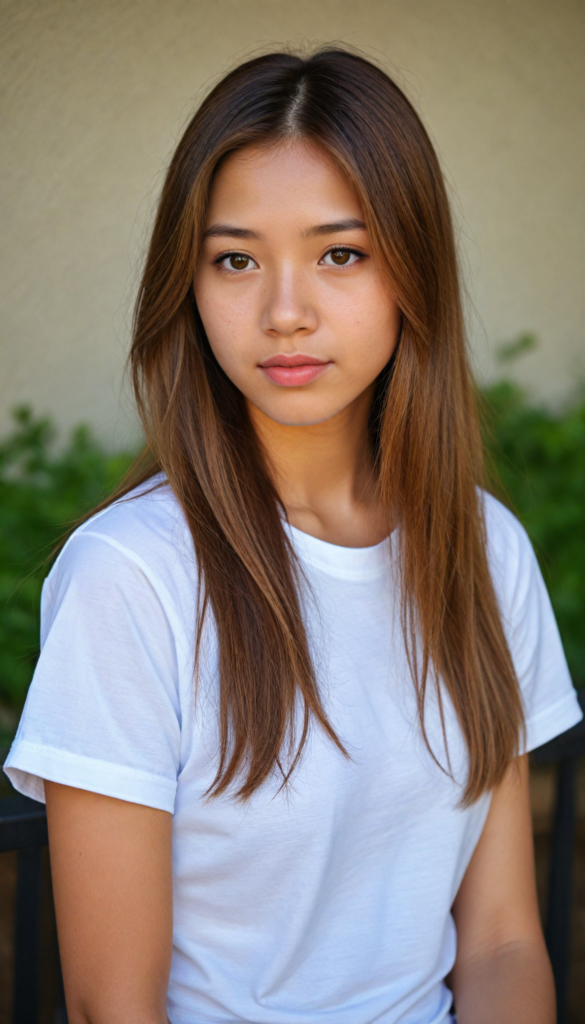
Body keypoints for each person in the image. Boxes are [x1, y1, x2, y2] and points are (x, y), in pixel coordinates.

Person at [4, 47, 582, 1024]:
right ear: (188, 285)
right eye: (235, 259)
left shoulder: (486, 552)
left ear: (412, 270)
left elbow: (503, 941)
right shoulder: (131, 576)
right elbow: (114, 1004)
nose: (284, 313)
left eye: (339, 253)